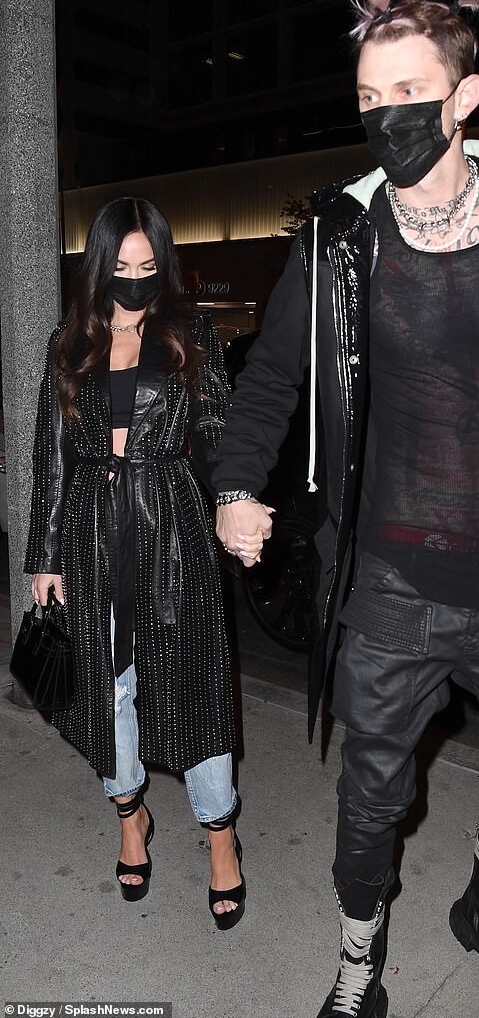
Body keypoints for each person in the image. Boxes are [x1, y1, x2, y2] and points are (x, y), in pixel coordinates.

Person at [211, 0, 479, 1016]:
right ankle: (359, 962)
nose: (386, 116)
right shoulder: (336, 238)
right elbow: (270, 376)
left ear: (463, 97)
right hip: (390, 582)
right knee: (370, 796)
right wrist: (236, 482)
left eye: (409, 92)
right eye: (369, 97)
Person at [25, 197, 259, 929]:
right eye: (121, 266)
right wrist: (45, 555)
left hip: (172, 524)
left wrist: (236, 500)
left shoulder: (191, 332)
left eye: (147, 265)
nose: (134, 279)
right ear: (100, 267)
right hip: (93, 530)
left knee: (195, 683)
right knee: (108, 688)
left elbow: (218, 429)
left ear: (164, 265)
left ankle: (220, 835)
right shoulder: (70, 342)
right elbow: (52, 457)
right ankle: (131, 817)